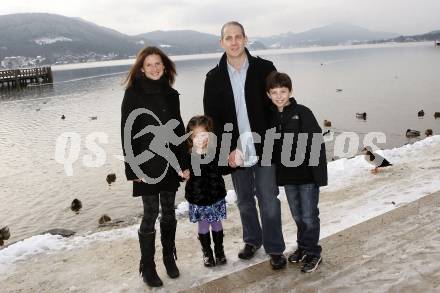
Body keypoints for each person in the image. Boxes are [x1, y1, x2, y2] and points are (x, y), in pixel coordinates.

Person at [203, 21, 286, 269]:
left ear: (245, 39)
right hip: (235, 150)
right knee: (244, 200)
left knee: (268, 198)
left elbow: (278, 105)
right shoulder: (213, 78)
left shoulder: (265, 68)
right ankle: (252, 240)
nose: (234, 42)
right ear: (222, 43)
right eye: (228, 38)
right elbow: (212, 120)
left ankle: (274, 248)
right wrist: (226, 150)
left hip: (265, 145)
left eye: (238, 37)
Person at [121, 46, 190, 287]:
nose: (154, 68)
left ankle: (169, 258)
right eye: (149, 64)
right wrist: (132, 170)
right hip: (145, 164)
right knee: (150, 214)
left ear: (165, 66)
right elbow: (126, 133)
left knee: (169, 212)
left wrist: (184, 163)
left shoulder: (172, 94)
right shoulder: (132, 94)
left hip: (170, 162)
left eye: (158, 64)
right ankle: (148, 267)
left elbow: (179, 129)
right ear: (141, 68)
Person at [266, 71, 327, 273]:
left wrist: (318, 175)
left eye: (283, 91)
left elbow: (316, 142)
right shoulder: (271, 117)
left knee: (309, 215)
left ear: (291, 91)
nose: (279, 96)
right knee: (298, 215)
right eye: (274, 92)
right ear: (268, 94)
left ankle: (313, 252)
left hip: (307, 176)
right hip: (289, 177)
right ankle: (303, 246)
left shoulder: (303, 112)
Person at [184, 115, 228, 267]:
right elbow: (182, 173)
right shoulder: (187, 156)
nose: (200, 139)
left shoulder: (215, 151)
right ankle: (207, 253)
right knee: (203, 225)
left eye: (203, 134)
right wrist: (182, 174)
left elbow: (224, 168)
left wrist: (232, 161)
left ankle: (219, 251)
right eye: (195, 136)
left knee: (216, 223)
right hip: (198, 198)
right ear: (190, 138)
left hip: (215, 195)